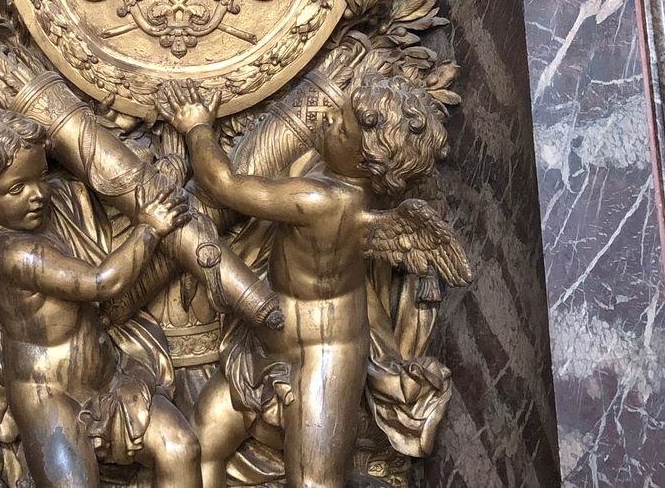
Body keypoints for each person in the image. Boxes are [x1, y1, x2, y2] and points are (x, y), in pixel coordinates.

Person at [157, 75, 469, 488]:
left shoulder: (325, 201)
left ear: (366, 162)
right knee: (202, 444)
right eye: (337, 115)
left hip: (324, 362)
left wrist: (197, 126)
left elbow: (224, 184)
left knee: (313, 481)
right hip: (267, 344)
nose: (327, 121)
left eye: (341, 130)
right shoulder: (335, 180)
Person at [0, 111, 204, 488]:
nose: (38, 194)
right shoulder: (11, 254)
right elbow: (100, 283)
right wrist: (150, 229)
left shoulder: (50, 214)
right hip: (49, 398)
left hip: (106, 377)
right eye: (17, 189)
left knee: (180, 447)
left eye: (40, 176)